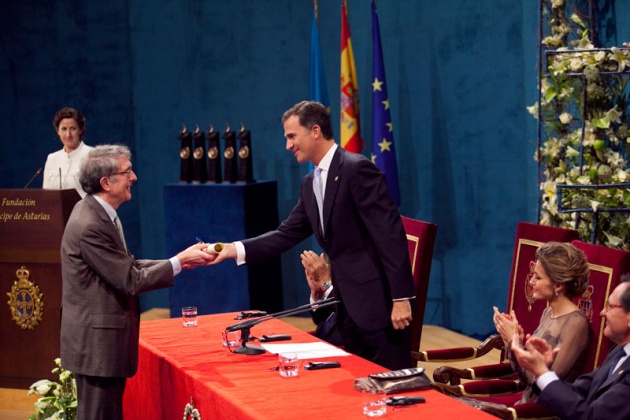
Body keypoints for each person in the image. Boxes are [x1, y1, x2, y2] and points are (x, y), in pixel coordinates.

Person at [210, 100, 415, 370]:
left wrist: (400, 299)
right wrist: (231, 249)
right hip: (347, 309)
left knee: (389, 392)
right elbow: (285, 234)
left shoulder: (357, 169)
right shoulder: (310, 183)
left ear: (315, 131)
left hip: (378, 308)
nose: (288, 145)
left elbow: (390, 236)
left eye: (292, 136)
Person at [59, 144, 216, 420]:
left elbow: (126, 266)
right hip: (98, 348)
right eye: (127, 171)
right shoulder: (91, 225)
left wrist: (178, 260)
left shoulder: (97, 213)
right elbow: (129, 278)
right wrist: (177, 263)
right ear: (106, 182)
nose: (134, 177)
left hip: (100, 345)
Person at [511, 278, 630, 420]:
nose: (602, 312)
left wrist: (542, 372)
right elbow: (578, 390)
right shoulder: (618, 351)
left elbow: (591, 417)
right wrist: (542, 370)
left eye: (609, 307)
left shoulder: (576, 323)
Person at [492, 241, 590, 405]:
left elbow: (548, 386)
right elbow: (526, 381)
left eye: (537, 277)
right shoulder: (548, 312)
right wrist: (515, 342)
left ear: (558, 285)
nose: (531, 282)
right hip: (524, 405)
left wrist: (514, 343)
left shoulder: (576, 323)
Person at [43, 107, 93, 197]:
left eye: (73, 129)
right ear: (58, 131)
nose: (68, 134)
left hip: (84, 211)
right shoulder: (52, 158)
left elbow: (99, 196)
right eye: (64, 129)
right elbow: (46, 195)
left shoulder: (93, 155)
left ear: (80, 130)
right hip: (56, 211)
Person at [300, 250, 342, 346]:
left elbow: (349, 315)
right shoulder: (337, 284)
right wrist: (318, 296)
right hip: (321, 346)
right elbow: (321, 321)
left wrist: (326, 284)